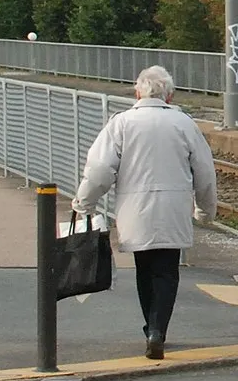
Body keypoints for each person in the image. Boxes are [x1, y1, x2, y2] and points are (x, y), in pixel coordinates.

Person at [73, 65, 217, 360]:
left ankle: (150, 328)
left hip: (134, 209)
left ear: (137, 92)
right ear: (170, 95)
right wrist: (204, 210)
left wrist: (84, 202)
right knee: (166, 271)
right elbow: (204, 172)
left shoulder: (121, 123)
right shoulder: (183, 123)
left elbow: (100, 169)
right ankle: (157, 330)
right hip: (173, 209)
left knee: (144, 268)